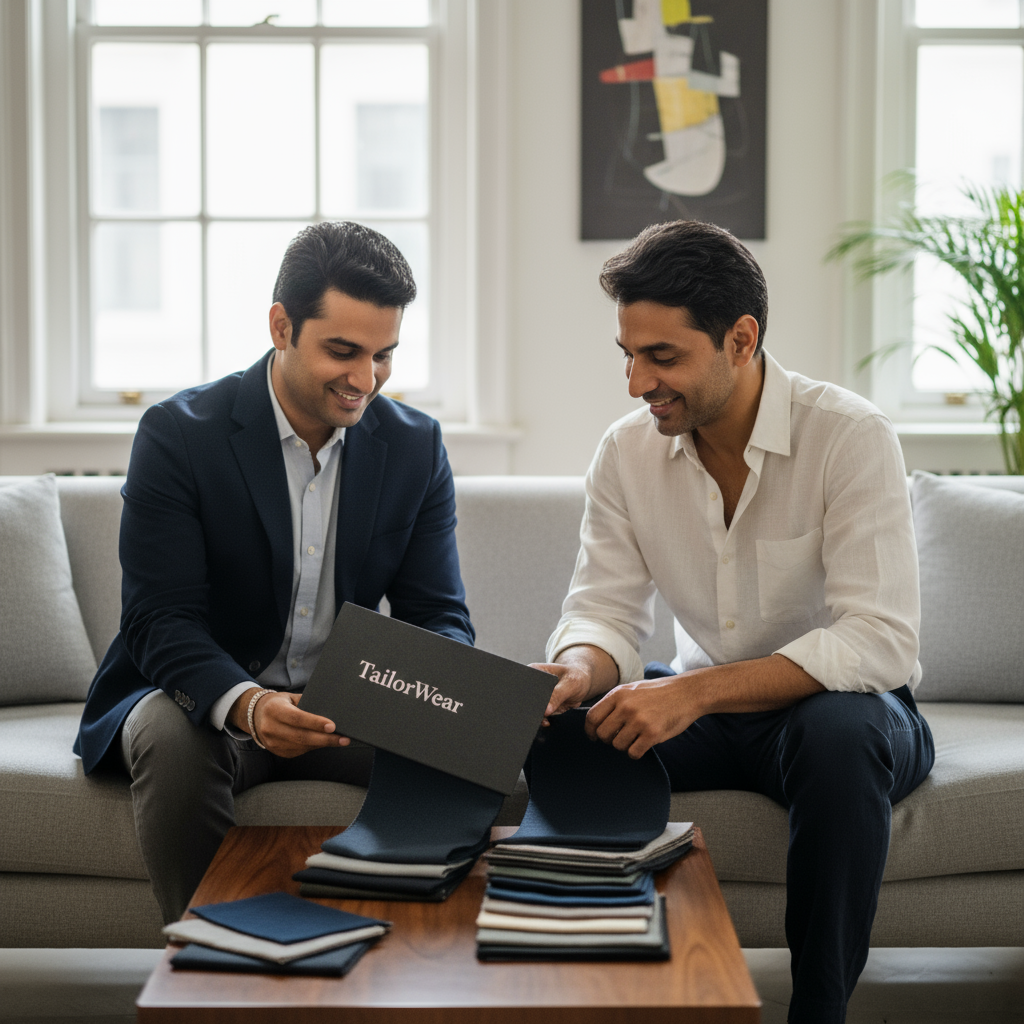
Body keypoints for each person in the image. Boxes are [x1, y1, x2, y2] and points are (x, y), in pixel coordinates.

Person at [533, 220, 934, 1024]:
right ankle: (595, 997)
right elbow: (605, 610)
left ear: (741, 340)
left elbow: (878, 639)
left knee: (838, 733)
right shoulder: (625, 454)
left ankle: (818, 1013)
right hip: (712, 713)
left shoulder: (849, 437)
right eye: (629, 355)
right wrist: (576, 670)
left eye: (663, 357)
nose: (637, 382)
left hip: (848, 714)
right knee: (568, 735)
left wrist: (696, 693)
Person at [74, 222, 474, 924]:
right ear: (281, 325)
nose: (365, 380)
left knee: (481, 755)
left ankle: (409, 970)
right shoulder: (180, 434)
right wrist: (252, 706)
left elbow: (437, 614)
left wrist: (450, 695)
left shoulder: (415, 447)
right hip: (207, 701)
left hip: (345, 704)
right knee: (171, 741)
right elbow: (157, 618)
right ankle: (209, 966)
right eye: (343, 352)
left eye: (384, 356)